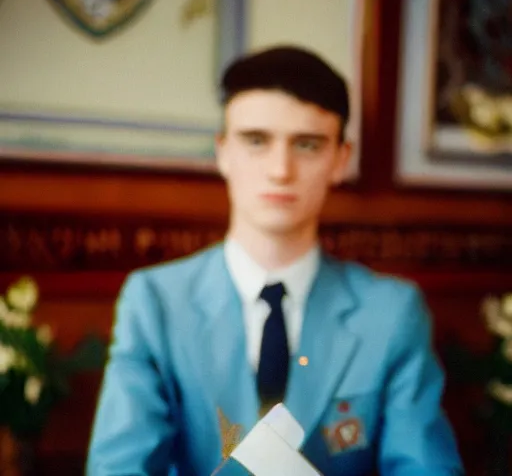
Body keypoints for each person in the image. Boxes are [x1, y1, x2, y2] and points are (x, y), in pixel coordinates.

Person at [86, 46, 464, 475]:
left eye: (307, 144)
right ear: (223, 151)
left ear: (340, 159)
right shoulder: (154, 302)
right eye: (256, 141)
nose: (280, 169)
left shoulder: (391, 312)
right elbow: (118, 468)